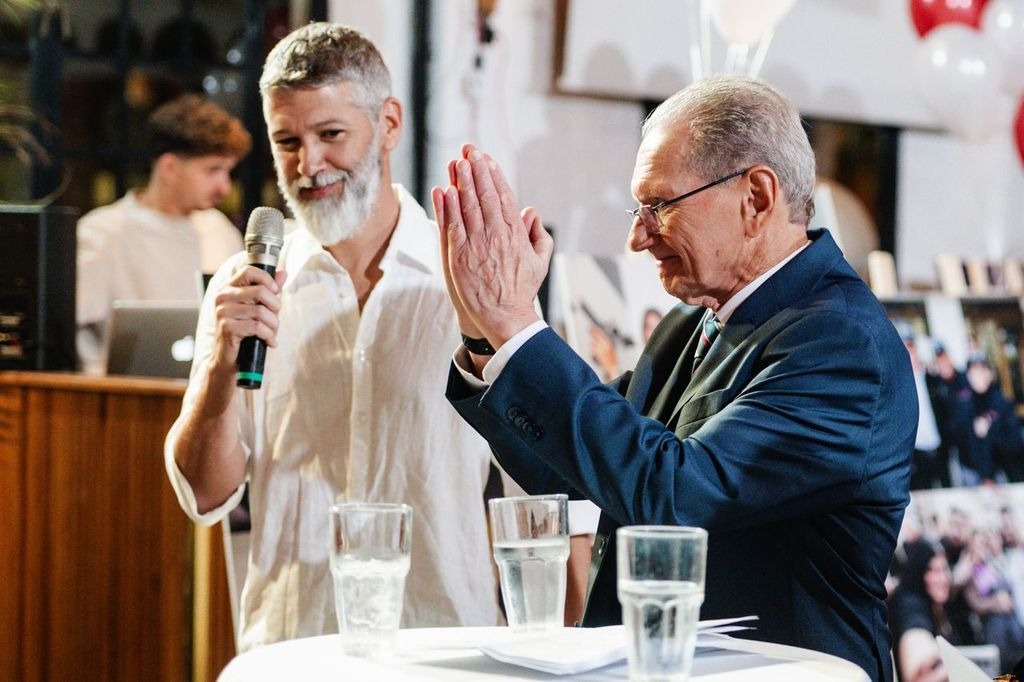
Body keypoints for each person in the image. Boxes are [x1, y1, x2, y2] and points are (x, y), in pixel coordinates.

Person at [433, 75, 916, 681]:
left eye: (659, 206)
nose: (637, 237)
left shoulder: (842, 343)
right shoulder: (692, 323)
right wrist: (487, 333)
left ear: (756, 197)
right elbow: (575, 468)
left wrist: (517, 325)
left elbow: (675, 496)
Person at [163, 23, 504, 651]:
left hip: (446, 644)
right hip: (294, 644)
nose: (308, 164)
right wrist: (217, 369)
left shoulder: (472, 279)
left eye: (331, 135)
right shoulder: (245, 289)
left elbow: (550, 493)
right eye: (287, 141)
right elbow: (205, 495)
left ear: (389, 123)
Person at [76, 94, 251, 374]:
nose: (225, 188)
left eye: (228, 171)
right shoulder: (102, 233)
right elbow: (77, 339)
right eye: (213, 170)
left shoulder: (220, 230)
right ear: (169, 167)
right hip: (125, 394)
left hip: (207, 388)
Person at [888, 540, 956, 682]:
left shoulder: (936, 605)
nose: (942, 578)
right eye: (934, 571)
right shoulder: (910, 605)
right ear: (919, 571)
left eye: (945, 569)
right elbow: (915, 636)